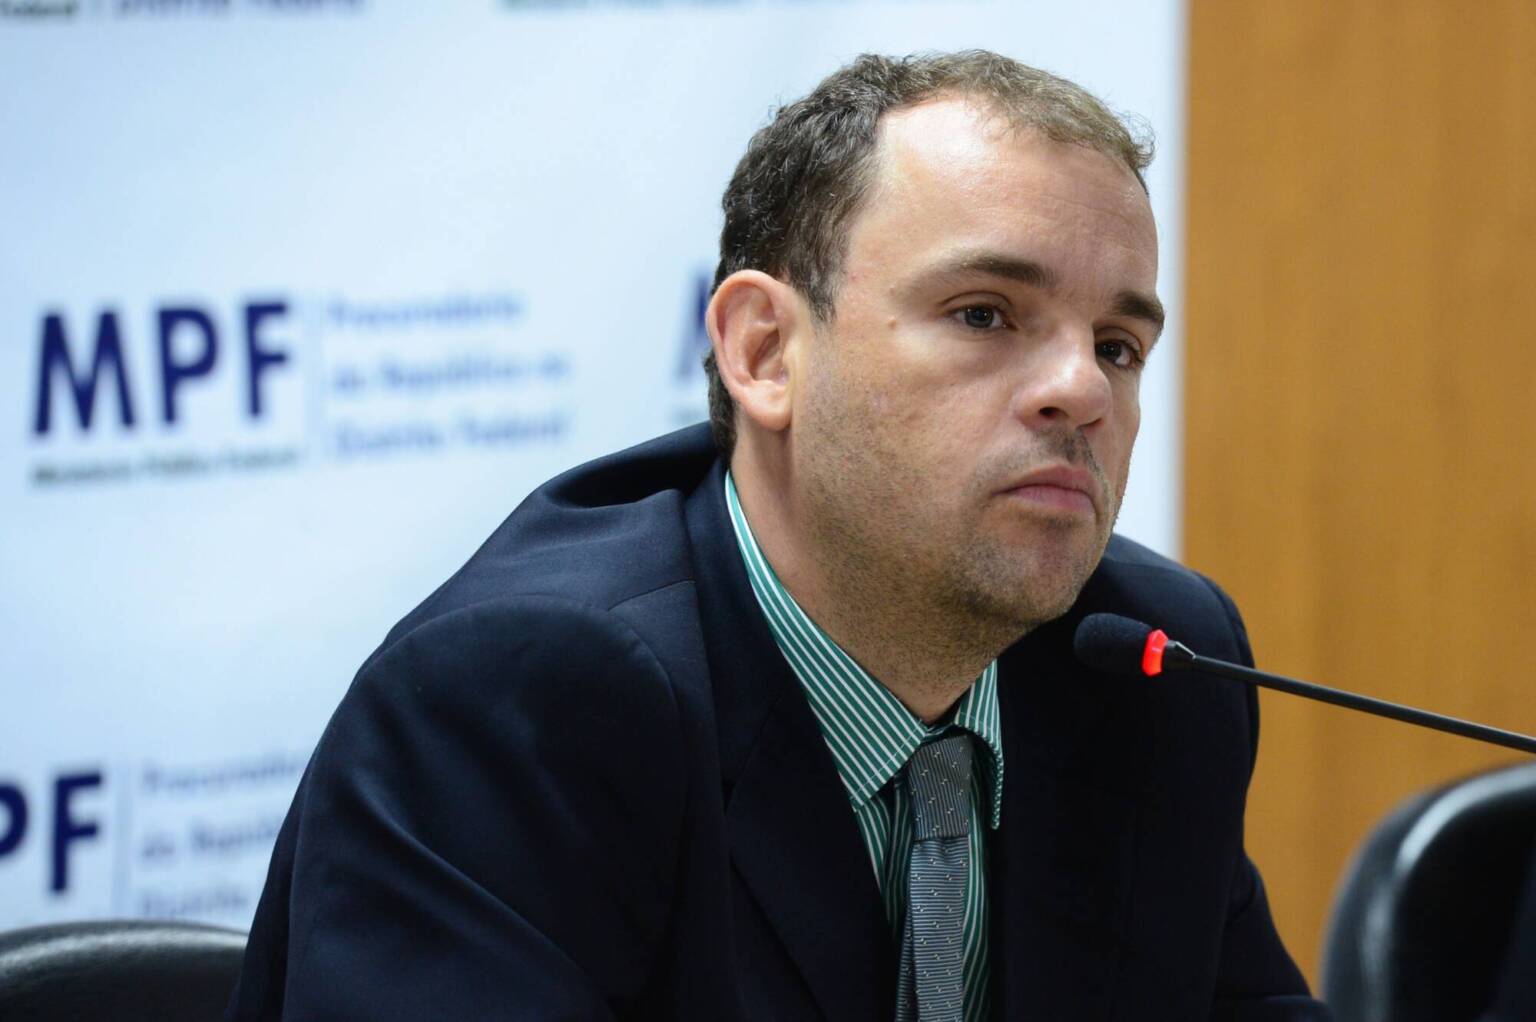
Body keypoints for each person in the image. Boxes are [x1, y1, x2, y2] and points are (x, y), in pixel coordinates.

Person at [228, 51, 1330, 1020]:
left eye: (1119, 345)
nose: (1081, 389)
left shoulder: (1156, 667)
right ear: (763, 352)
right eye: (984, 314)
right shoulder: (524, 699)